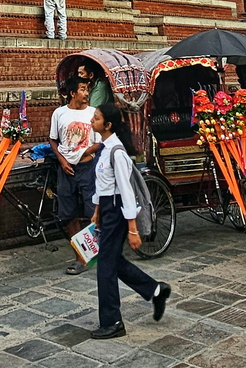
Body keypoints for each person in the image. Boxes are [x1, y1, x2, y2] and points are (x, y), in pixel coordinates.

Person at [89, 103, 170, 338]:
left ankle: (112, 321)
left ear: (108, 125)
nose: (92, 122)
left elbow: (125, 191)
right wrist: (97, 210)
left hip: (117, 211)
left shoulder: (118, 153)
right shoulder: (104, 149)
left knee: (105, 267)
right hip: (107, 208)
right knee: (114, 262)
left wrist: (132, 228)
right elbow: (102, 185)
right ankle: (156, 289)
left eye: (96, 119)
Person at [49, 76, 99, 275]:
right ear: (72, 93)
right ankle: (80, 257)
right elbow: (53, 141)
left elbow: (99, 141)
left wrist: (85, 152)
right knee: (69, 215)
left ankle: (95, 250)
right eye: (82, 89)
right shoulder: (59, 114)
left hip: (87, 169)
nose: (86, 93)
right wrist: (62, 160)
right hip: (66, 171)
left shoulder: (93, 113)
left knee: (92, 213)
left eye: (87, 89)